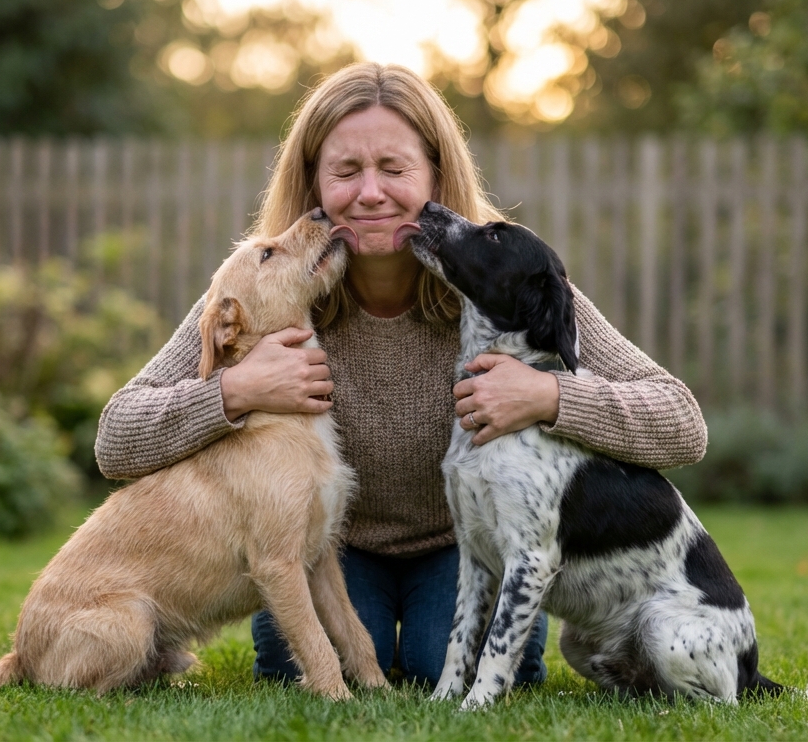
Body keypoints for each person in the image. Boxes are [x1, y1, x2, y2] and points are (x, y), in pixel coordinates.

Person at [94, 62, 707, 687]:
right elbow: (116, 438)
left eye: (394, 169)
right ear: (312, 183)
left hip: (461, 547)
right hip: (329, 548)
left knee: (444, 667)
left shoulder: (504, 288)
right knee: (290, 665)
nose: (370, 193)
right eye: (345, 171)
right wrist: (232, 391)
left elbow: (682, 421)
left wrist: (550, 394)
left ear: (436, 176)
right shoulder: (261, 291)